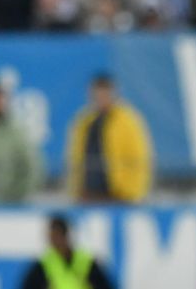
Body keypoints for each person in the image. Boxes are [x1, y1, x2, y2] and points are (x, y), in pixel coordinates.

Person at [65, 73, 153, 203]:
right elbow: (75, 157)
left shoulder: (127, 121)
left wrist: (133, 191)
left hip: (119, 195)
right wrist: (76, 189)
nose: (100, 98)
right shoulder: (84, 122)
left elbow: (139, 157)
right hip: (89, 195)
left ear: (113, 93)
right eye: (97, 94)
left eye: (104, 94)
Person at [19, 215, 116, 289]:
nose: (54, 241)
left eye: (56, 236)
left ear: (66, 235)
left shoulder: (86, 262)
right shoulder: (42, 265)